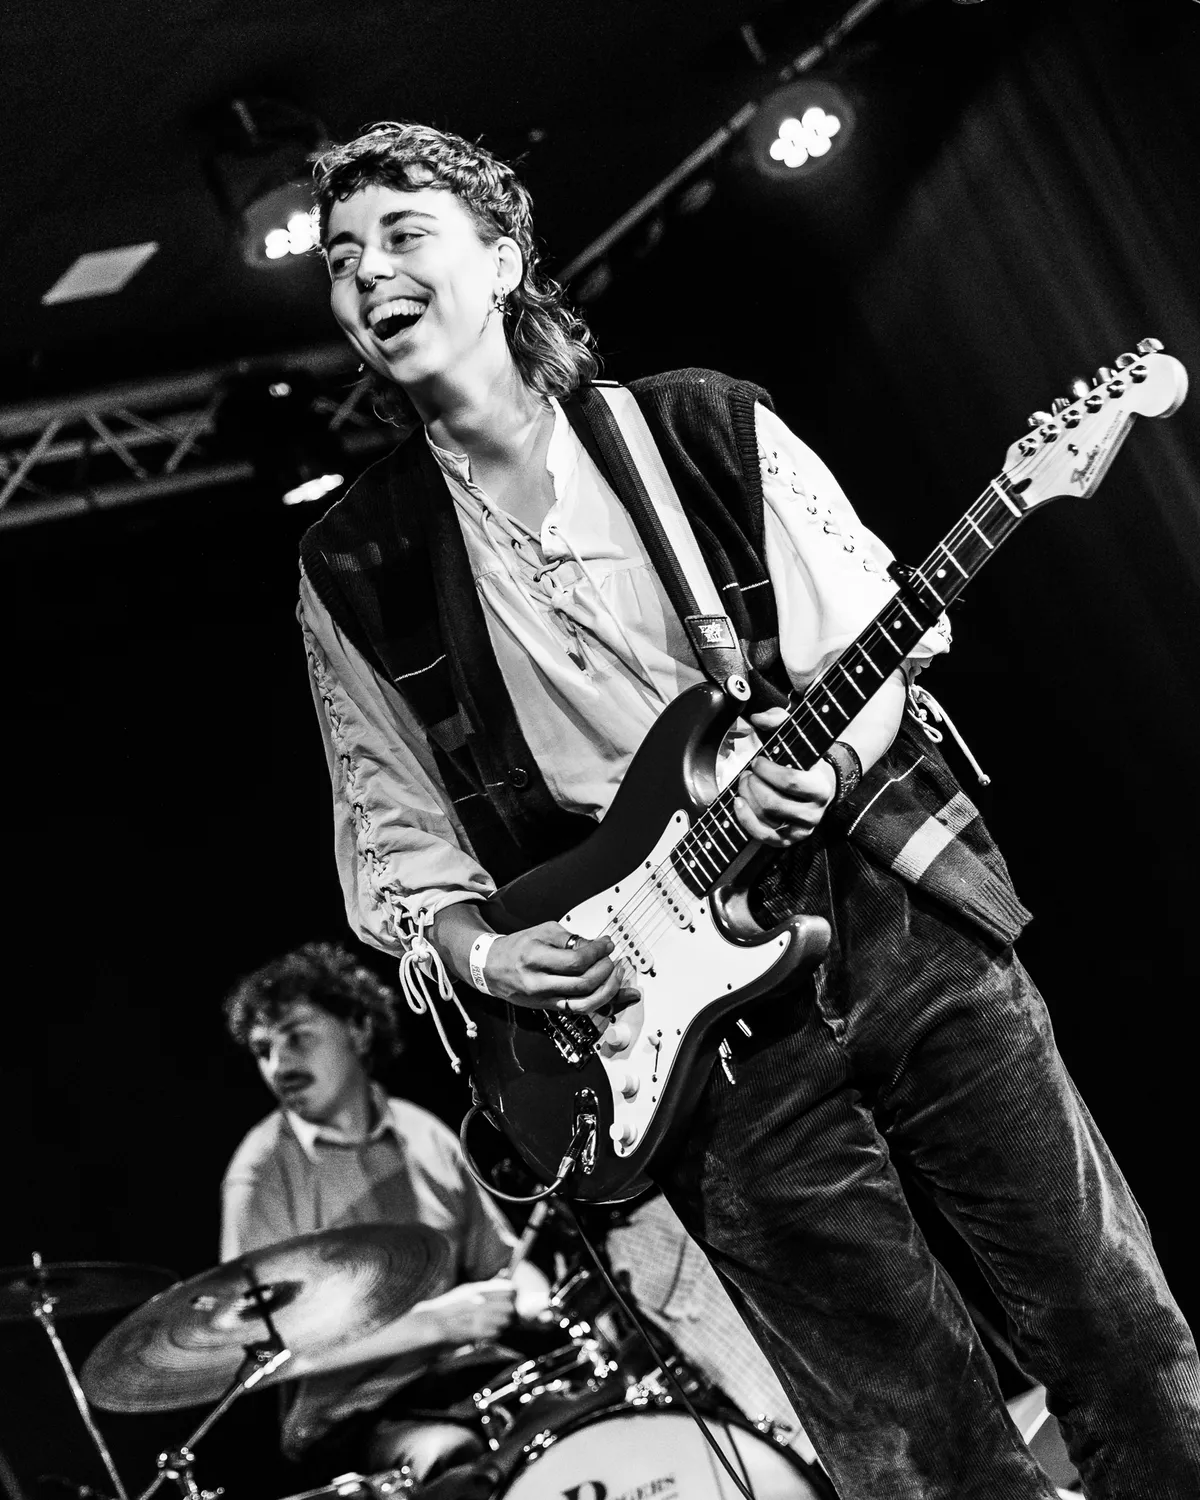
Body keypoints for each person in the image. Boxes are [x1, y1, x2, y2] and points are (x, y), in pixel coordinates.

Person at [295, 120, 1200, 1498]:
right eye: (340, 258)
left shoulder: (699, 422)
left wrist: (822, 767)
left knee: (1116, 1331)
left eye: (402, 235)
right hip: (677, 1028)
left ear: (505, 257)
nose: (367, 273)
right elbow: (392, 826)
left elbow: (868, 642)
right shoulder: (355, 559)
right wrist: (485, 953)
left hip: (890, 912)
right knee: (909, 1448)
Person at [220, 941, 548, 1476]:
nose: (279, 1065)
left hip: (465, 1377)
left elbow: (504, 1263)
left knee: (576, 1408)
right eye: (263, 1050)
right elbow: (260, 1354)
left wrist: (541, 1302)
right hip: (352, 1417)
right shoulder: (261, 1173)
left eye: (297, 1037)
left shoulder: (425, 1133)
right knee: (451, 1457)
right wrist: (435, 1324)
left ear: (358, 1029)